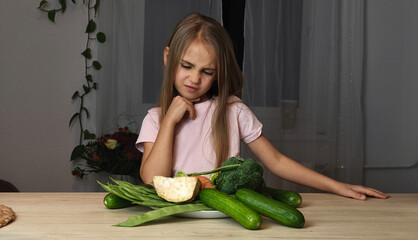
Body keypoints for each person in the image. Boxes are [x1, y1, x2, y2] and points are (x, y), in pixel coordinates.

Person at [136, 13, 389, 200]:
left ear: (218, 74)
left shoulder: (232, 111)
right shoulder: (156, 118)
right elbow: (151, 179)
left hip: (225, 217)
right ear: (169, 58)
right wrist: (169, 121)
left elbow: (276, 161)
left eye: (207, 71)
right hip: (172, 221)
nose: (194, 79)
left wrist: (338, 186)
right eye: (187, 66)